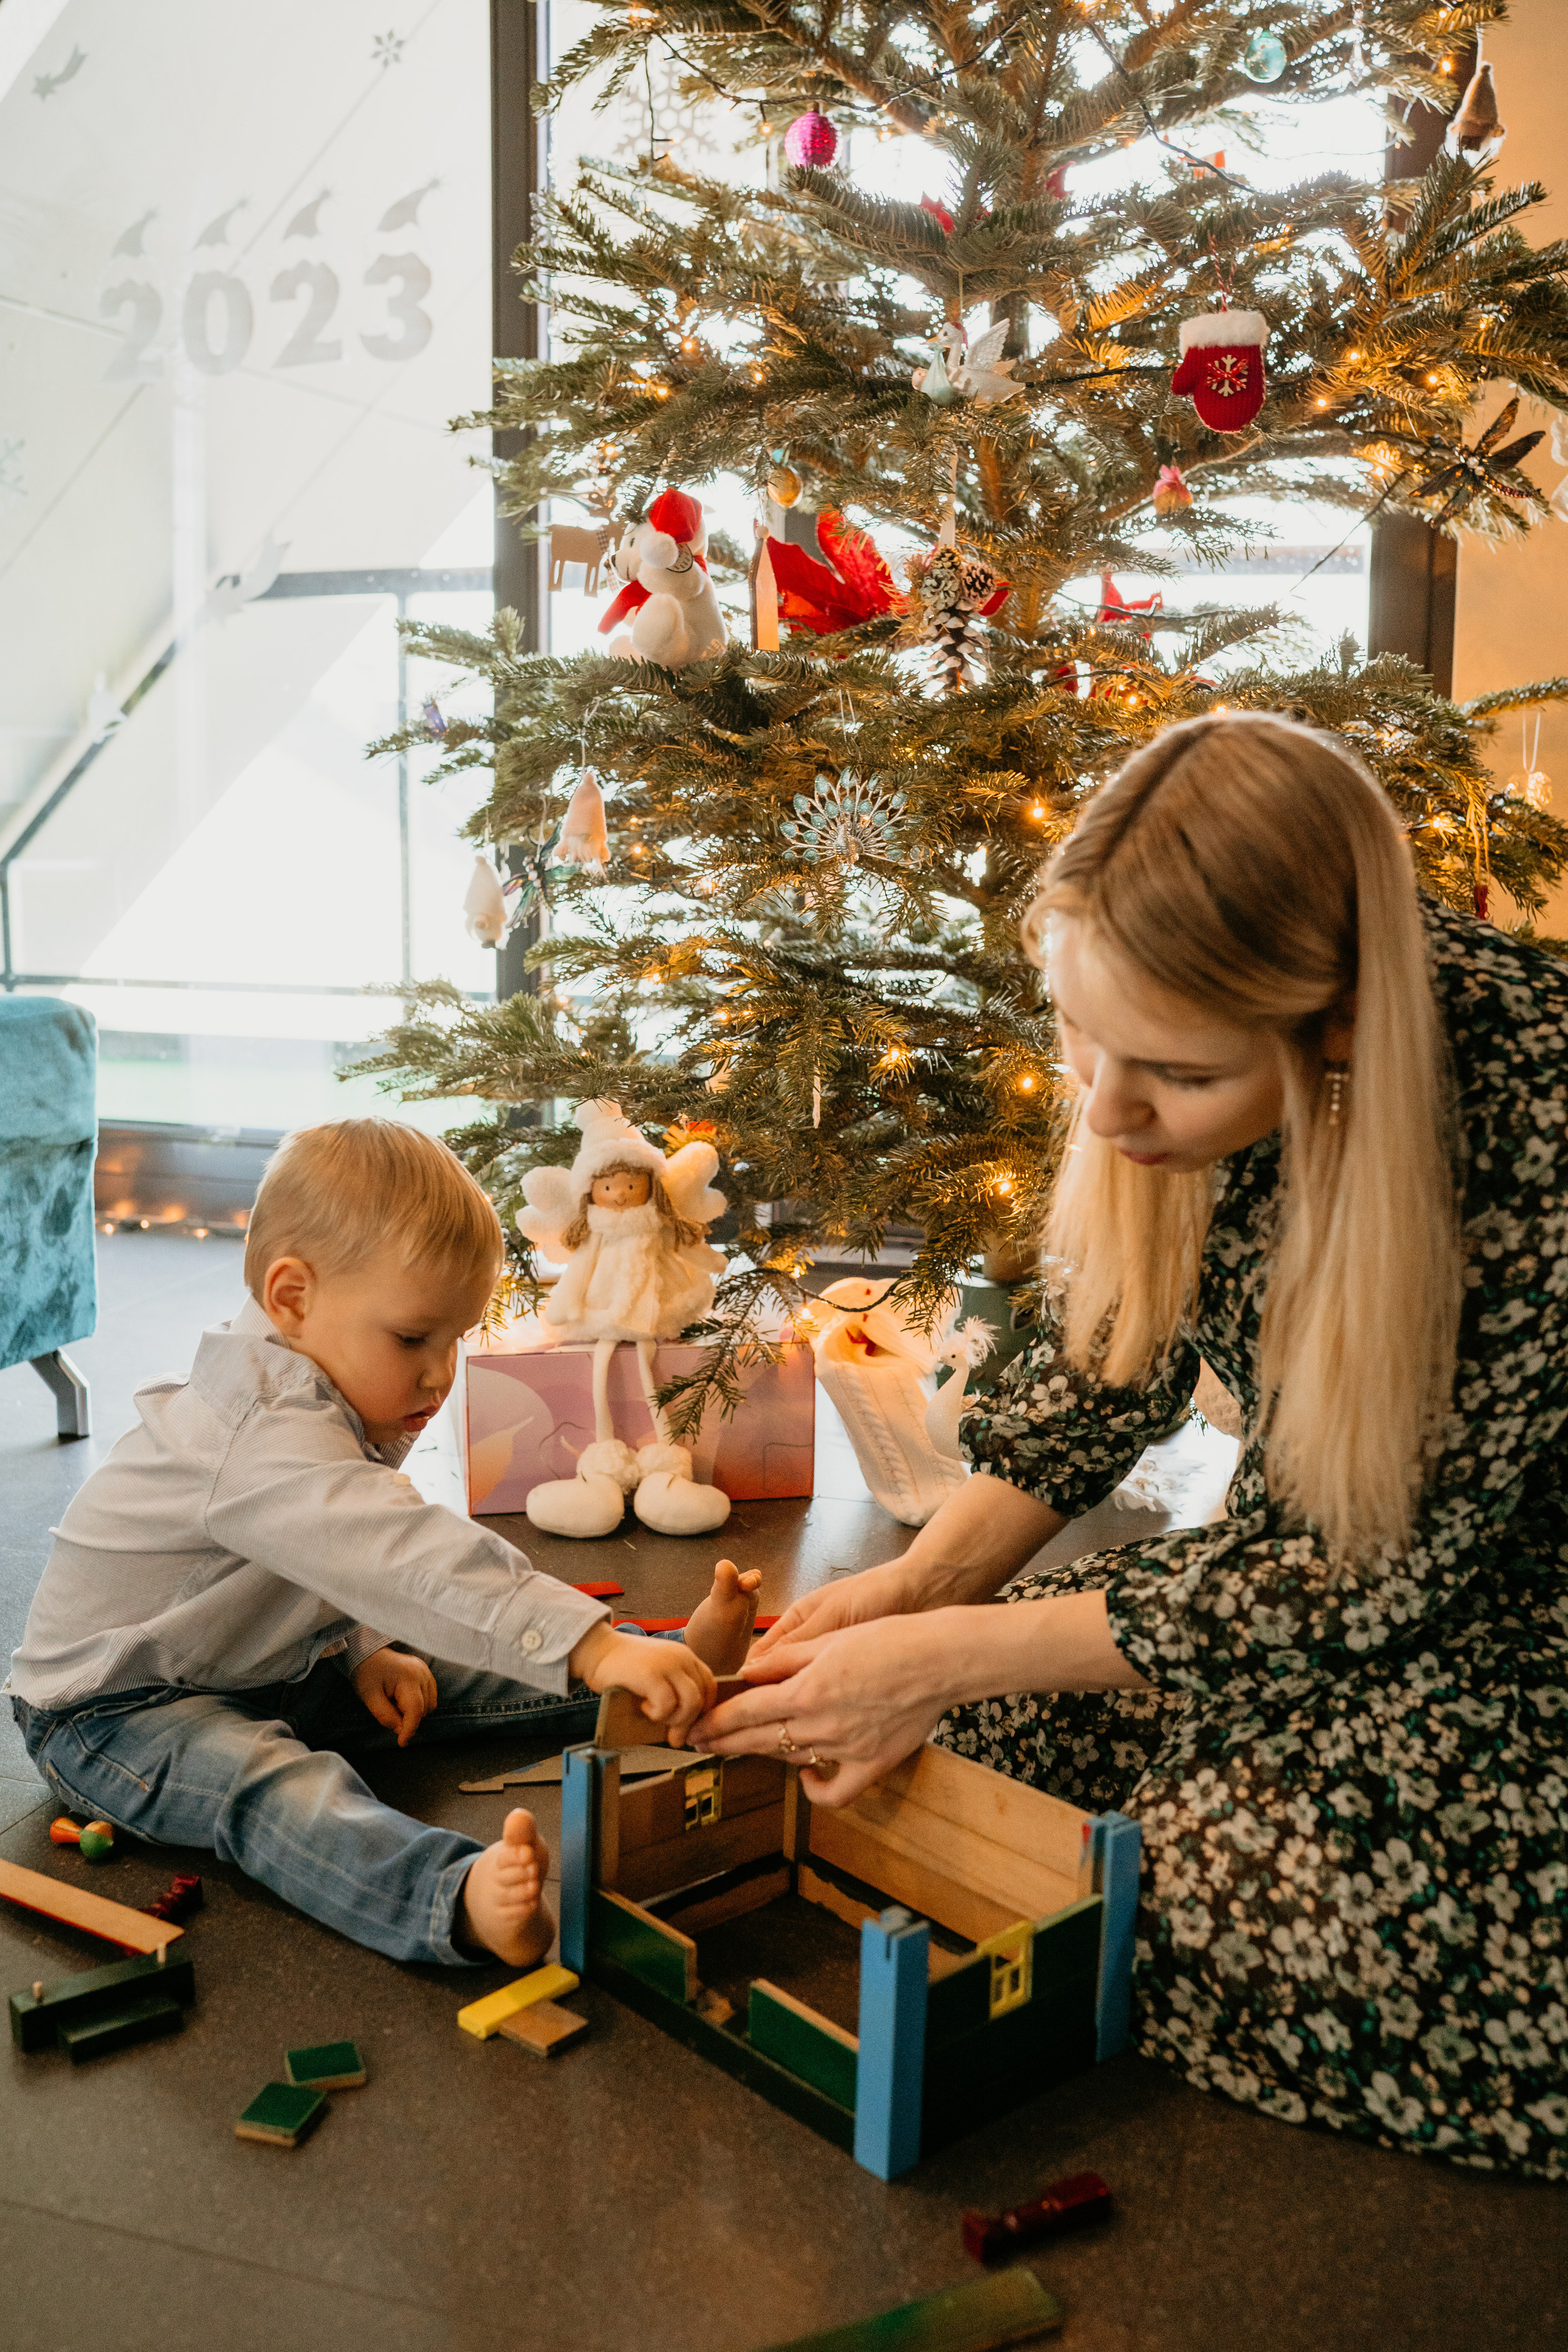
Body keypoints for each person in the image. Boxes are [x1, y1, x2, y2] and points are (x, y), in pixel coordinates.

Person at [692, 712, 1568, 2179]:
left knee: (1184, 1901)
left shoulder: (1518, 1126)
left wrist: (940, 1651)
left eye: (1168, 1069)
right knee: (974, 1732)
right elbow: (1102, 1374)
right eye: (1079, 1035)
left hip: (1503, 1631)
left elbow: (1361, 1588)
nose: (1101, 1108)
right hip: (1326, 1580)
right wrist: (921, 1599)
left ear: (1337, 1028)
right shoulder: (1170, 1078)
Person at [7, 1120, 754, 1967]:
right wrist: (582, 1639)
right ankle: (444, 1896)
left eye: (455, 1339)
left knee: (444, 1665)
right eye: (413, 1340)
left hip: (261, 1662)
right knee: (275, 1786)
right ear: (293, 1298)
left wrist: (361, 1645)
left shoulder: (315, 1375)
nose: (441, 1374)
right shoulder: (253, 1426)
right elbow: (388, 1546)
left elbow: (327, 1553)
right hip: (112, 1712)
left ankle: (663, 1669)